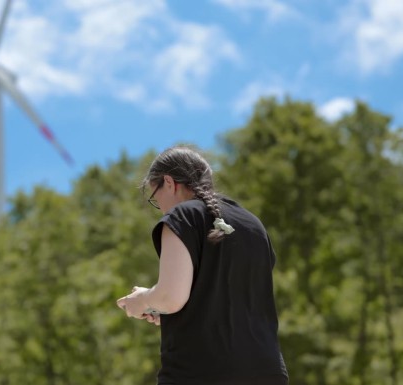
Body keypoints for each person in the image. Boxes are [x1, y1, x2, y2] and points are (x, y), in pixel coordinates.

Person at [116, 146, 289, 385]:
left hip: (200, 370)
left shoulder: (182, 217)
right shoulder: (253, 224)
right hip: (267, 371)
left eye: (156, 199)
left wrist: (143, 300)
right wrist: (169, 311)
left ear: (168, 182)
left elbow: (170, 298)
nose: (162, 208)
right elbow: (228, 299)